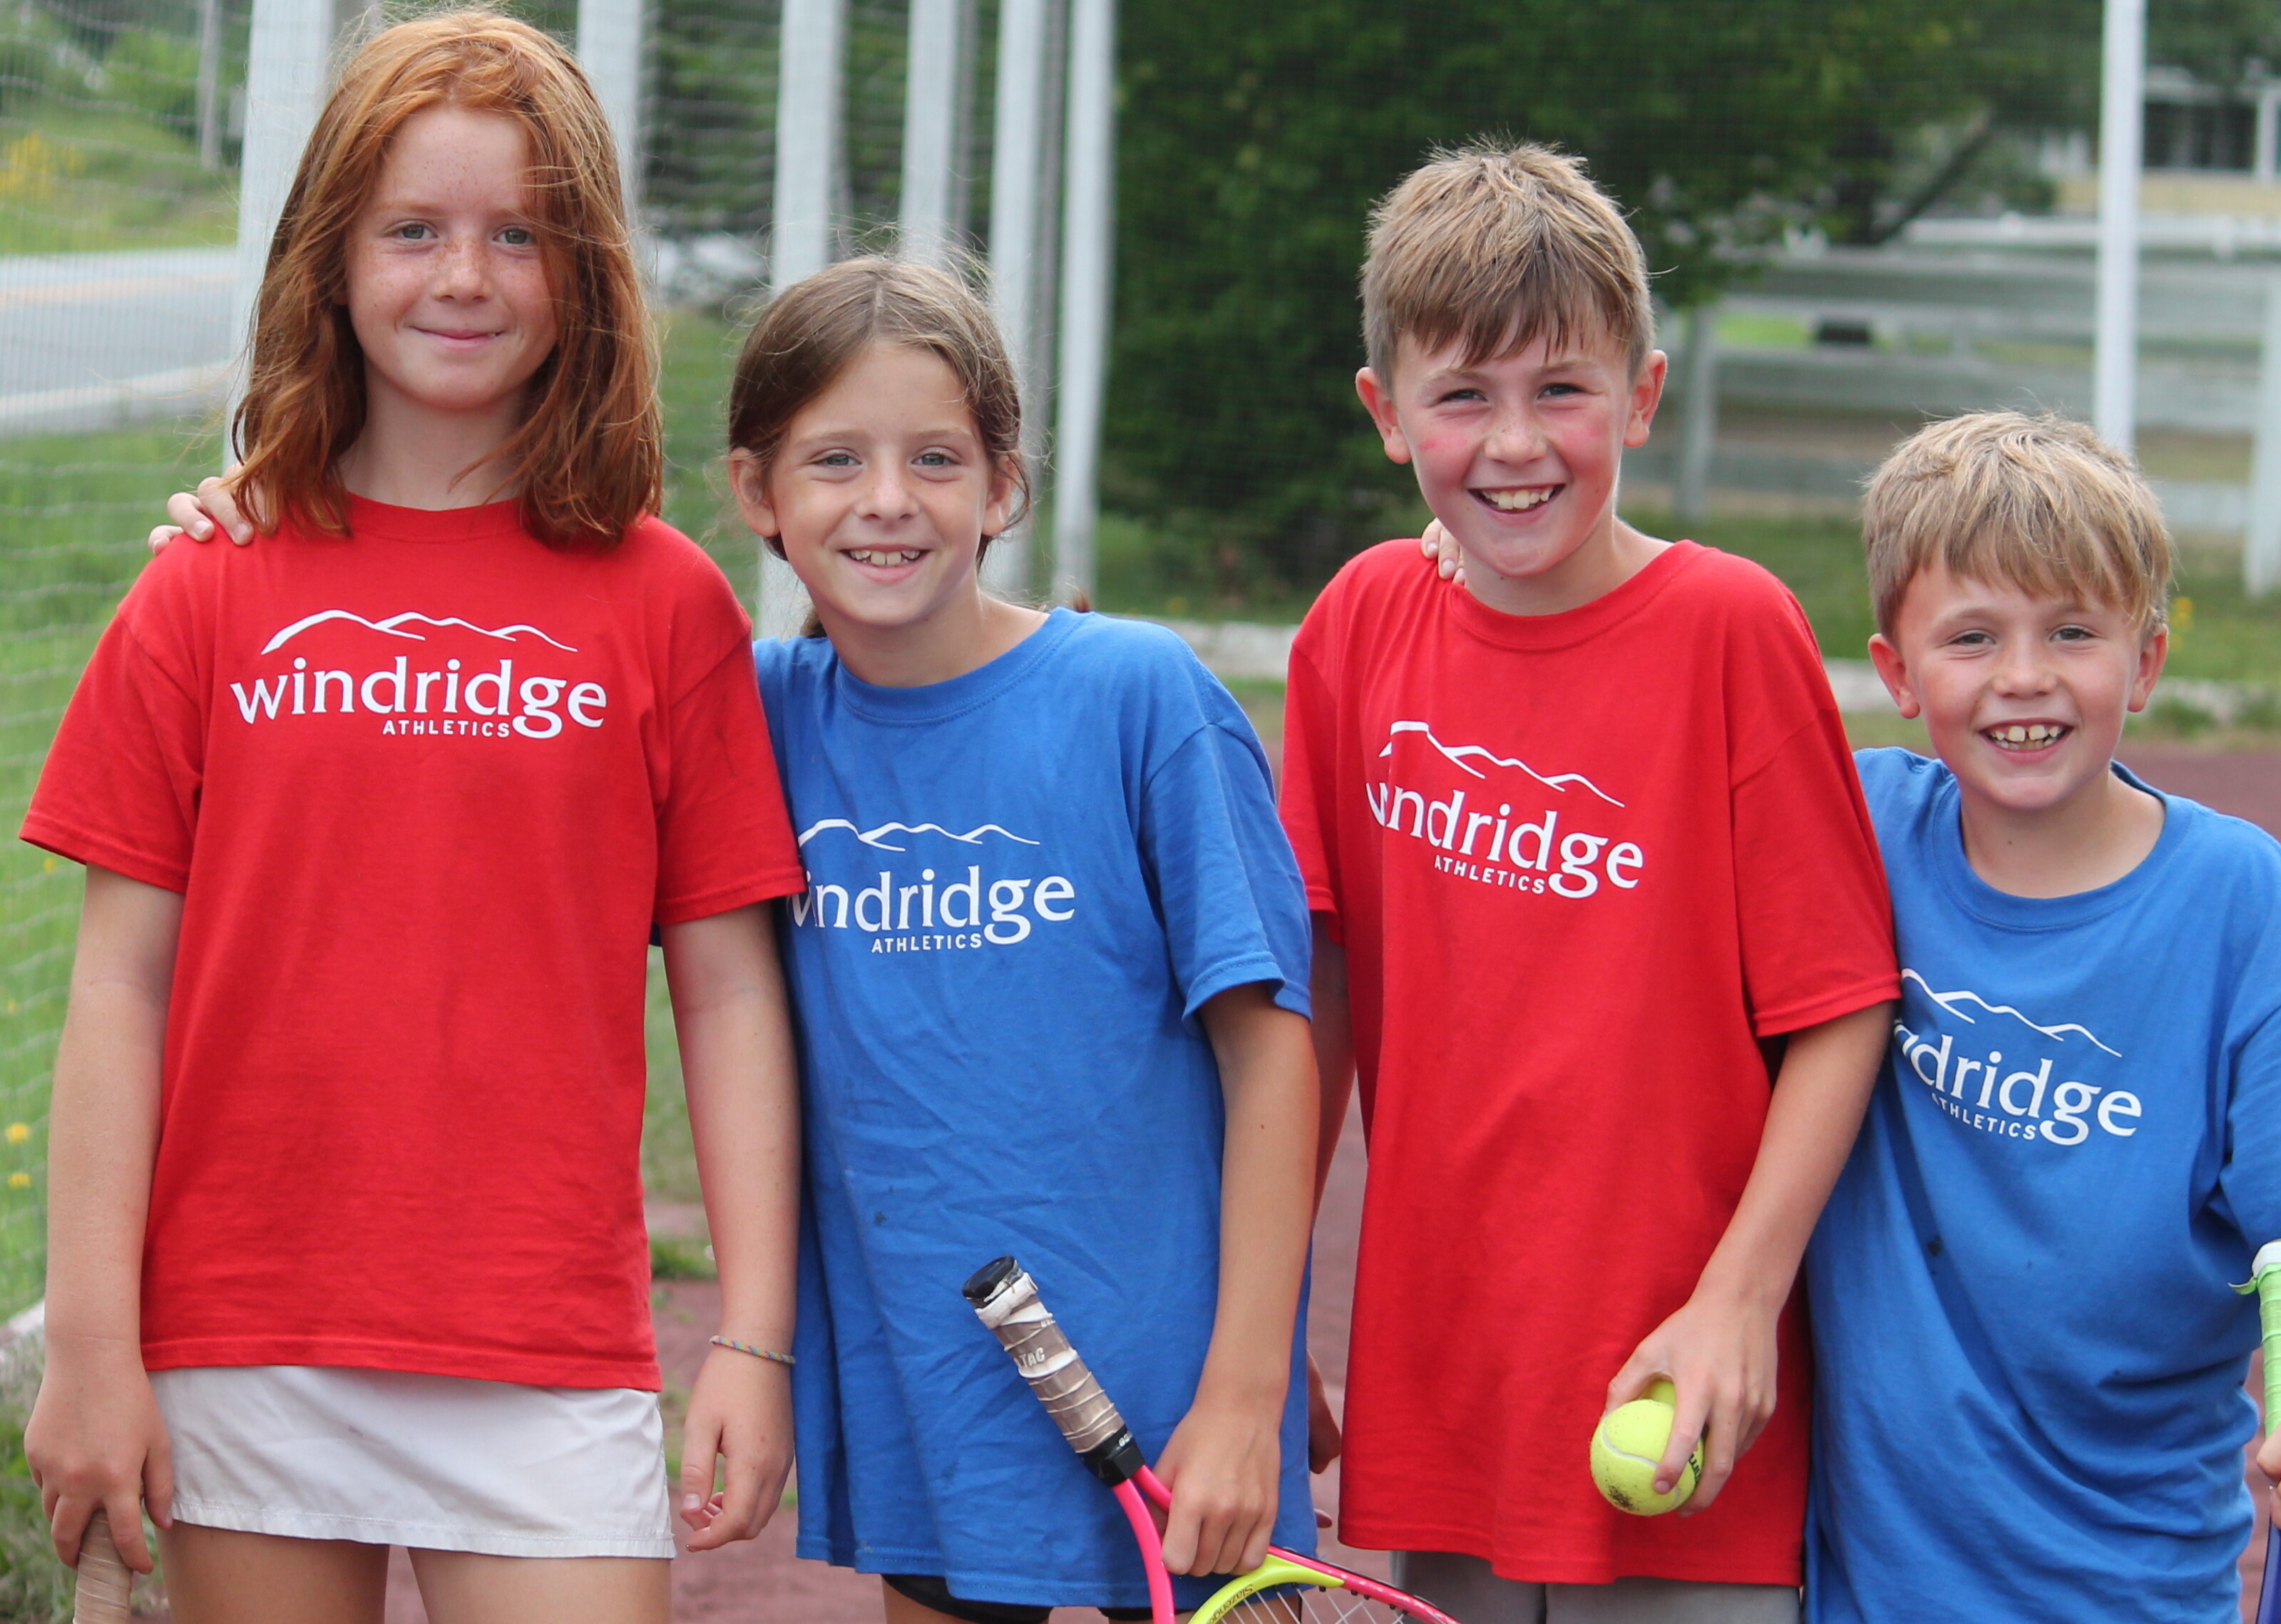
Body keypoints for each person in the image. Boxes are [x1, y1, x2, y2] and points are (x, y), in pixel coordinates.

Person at [29, 15, 805, 1621]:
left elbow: (728, 989)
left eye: (518, 231)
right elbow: (119, 986)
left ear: (583, 269)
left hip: (542, 1344)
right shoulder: (205, 588)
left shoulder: (664, 603)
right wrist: (92, 1343)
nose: (465, 275)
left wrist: (750, 1326)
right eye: (414, 229)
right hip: (244, 1328)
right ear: (331, 255)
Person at [1281, 139, 1899, 1623]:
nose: (1513, 444)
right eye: (1461, 397)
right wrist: (1265, 1314)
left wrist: (1739, 1296)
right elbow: (1312, 996)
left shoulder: (1728, 631)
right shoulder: (1361, 625)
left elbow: (1840, 1008)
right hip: (1447, 1384)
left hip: (1686, 1380)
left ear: (1638, 393)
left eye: (1559, 389)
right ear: (1384, 414)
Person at [727, 257, 1321, 1624]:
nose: (886, 499)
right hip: (938, 1403)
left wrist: (1247, 1388)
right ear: (760, 494)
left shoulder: (1139, 696)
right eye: (834, 459)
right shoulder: (752, 716)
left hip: (1183, 1418)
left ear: (1003, 487)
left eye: (934, 456)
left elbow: (1270, 1054)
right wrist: (269, 523)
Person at [1803, 410, 2281, 1624]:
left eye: (2072, 632)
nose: (2024, 676)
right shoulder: (1859, 825)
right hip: (1862, 1589)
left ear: (2142, 664)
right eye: (1972, 636)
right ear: (1894, 673)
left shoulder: (2230, 899)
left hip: (2126, 1592)